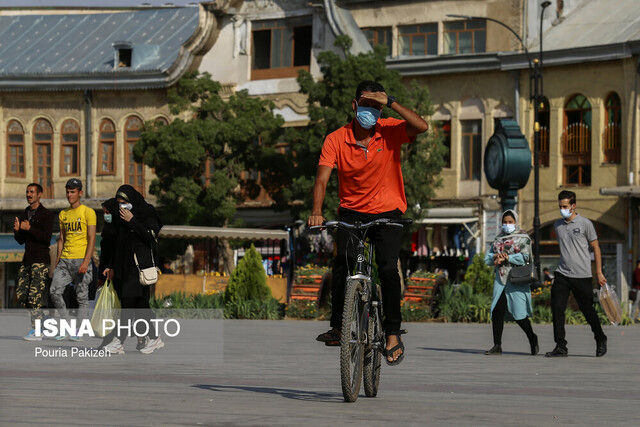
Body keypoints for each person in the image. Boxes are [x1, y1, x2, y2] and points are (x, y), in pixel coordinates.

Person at [308, 80, 428, 365]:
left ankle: (392, 333)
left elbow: (421, 126)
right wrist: (316, 211)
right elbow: (322, 178)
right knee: (343, 263)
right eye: (366, 104)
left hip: (388, 213)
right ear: (354, 105)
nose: (370, 110)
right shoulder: (336, 139)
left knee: (387, 268)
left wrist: (391, 101)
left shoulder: (389, 130)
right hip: (352, 213)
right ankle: (338, 326)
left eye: (376, 105)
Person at [102, 185, 164, 355]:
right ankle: (153, 337)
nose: (122, 207)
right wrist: (110, 266)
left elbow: (150, 236)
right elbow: (115, 243)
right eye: (120, 203)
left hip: (140, 267)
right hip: (124, 267)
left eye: (125, 203)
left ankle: (119, 341)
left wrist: (133, 221)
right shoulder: (119, 217)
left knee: (130, 305)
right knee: (140, 305)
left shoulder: (145, 212)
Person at [545, 190, 608, 357]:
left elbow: (595, 247)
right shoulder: (557, 225)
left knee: (587, 310)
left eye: (565, 206)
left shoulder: (585, 223)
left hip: (582, 275)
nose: (562, 209)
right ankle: (561, 346)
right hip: (562, 274)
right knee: (557, 308)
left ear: (573, 206)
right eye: (560, 206)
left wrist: (599, 272)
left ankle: (600, 338)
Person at [483, 210, 538, 356]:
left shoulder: (524, 238)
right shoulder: (498, 239)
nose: (507, 225)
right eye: (505, 222)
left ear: (516, 222)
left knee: (519, 315)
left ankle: (532, 338)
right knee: (497, 311)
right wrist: (496, 257)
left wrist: (508, 258)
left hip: (517, 280)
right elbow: (487, 259)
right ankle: (497, 345)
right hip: (501, 281)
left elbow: (525, 257)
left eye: (510, 222)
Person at [50, 178, 96, 341]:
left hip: (81, 259)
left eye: (73, 192)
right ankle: (66, 326)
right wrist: (57, 262)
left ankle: (79, 331)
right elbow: (61, 239)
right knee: (54, 292)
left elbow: (92, 239)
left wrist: (86, 262)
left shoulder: (88, 212)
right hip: (65, 261)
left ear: (80, 193)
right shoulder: (63, 214)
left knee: (81, 296)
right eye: (68, 191)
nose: (69, 195)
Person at [14, 183, 54, 340]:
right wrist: (18, 231)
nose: (29, 195)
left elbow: (46, 238)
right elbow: (20, 241)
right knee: (22, 295)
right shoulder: (25, 212)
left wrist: (29, 228)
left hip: (40, 260)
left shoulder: (46, 214)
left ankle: (37, 331)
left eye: (32, 192)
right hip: (27, 260)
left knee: (34, 296)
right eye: (27, 192)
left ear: (39, 195)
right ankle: (44, 320)